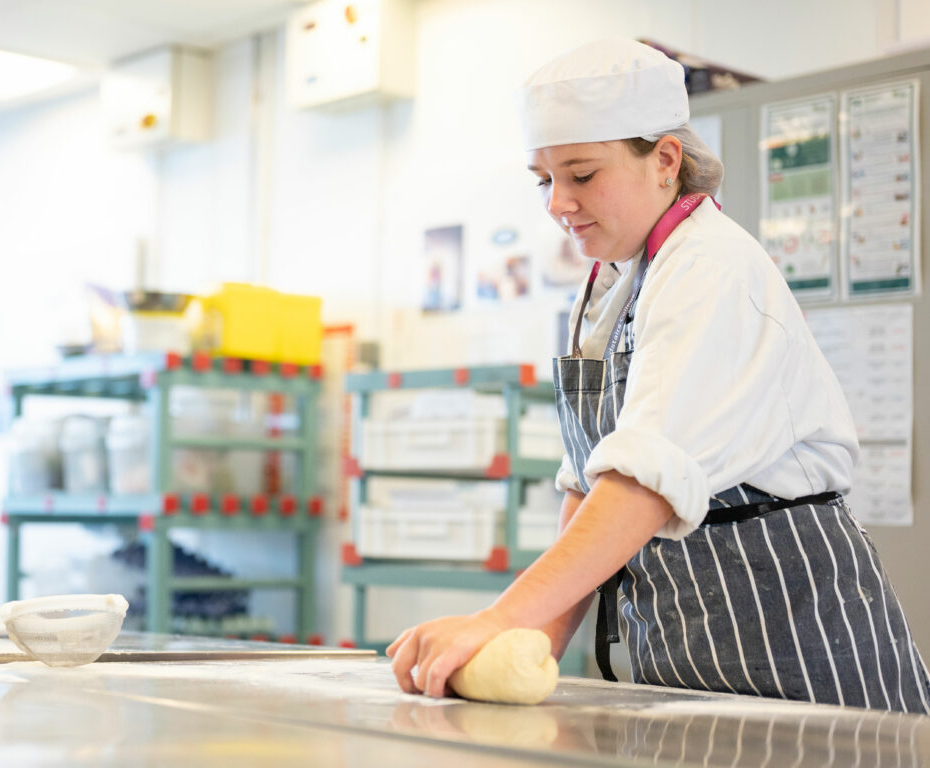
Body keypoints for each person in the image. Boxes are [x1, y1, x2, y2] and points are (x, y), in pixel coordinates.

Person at [388, 38, 930, 713]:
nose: (558, 203)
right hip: (678, 656)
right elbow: (588, 489)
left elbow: (640, 487)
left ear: (666, 160)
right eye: (543, 179)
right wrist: (535, 637)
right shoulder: (611, 284)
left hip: (798, 654)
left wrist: (498, 618)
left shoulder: (711, 269)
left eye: (582, 175)